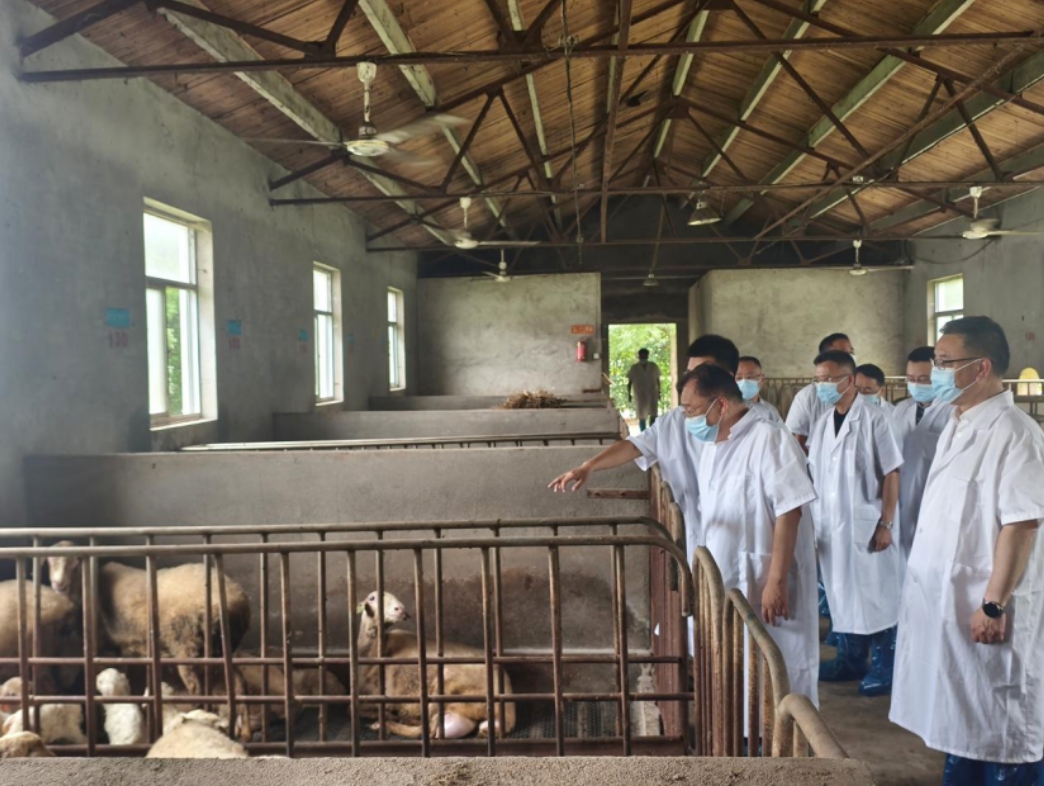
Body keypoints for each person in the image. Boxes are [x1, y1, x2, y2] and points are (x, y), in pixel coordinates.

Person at [890, 317, 1044, 785]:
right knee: (960, 721)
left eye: (944, 363)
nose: (935, 373)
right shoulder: (958, 422)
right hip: (949, 602)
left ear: (981, 367)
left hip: (987, 606)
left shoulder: (1016, 434)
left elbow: (1022, 524)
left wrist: (994, 604)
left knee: (1001, 729)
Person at [681, 364, 819, 703]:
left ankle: (778, 735)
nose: (688, 419)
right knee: (738, 677)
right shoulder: (715, 444)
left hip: (765, 582)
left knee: (775, 673)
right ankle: (744, 733)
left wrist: (776, 580)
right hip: (731, 577)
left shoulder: (770, 439)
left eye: (692, 410)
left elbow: (790, 510)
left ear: (721, 404)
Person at [549, 335, 740, 555]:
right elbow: (634, 446)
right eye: (689, 373)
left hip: (742, 541)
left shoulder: (758, 428)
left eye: (701, 373)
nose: (692, 382)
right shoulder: (675, 421)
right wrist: (588, 466)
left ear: (726, 377)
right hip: (696, 535)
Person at [807, 350, 902, 697]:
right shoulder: (822, 423)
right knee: (840, 594)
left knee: (876, 597)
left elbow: (892, 472)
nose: (821, 385)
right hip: (831, 528)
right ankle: (850, 660)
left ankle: (885, 667)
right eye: (818, 379)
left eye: (828, 379)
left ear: (848, 380)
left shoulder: (876, 419)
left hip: (866, 526)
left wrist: (886, 524)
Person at [892, 346, 951, 561]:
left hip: (935, 502)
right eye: (911, 379)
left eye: (924, 379)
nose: (916, 384)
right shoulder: (900, 410)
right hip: (899, 499)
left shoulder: (952, 412)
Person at [786, 333, 856, 452]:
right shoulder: (808, 397)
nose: (849, 356)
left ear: (850, 379)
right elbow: (798, 439)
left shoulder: (871, 410)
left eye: (851, 352)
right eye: (843, 352)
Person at [735, 356, 783, 424]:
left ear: (762, 379)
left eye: (750, 377)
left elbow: (781, 430)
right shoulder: (725, 411)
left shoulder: (770, 411)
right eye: (738, 378)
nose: (744, 382)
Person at [627, 348, 661, 432]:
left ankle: (652, 432)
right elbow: (630, 382)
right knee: (641, 414)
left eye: (645, 355)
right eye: (641, 355)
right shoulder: (634, 368)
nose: (643, 357)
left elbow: (658, 380)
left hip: (653, 393)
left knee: (653, 413)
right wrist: (629, 394)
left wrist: (659, 392)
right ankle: (643, 432)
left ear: (647, 356)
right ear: (639, 356)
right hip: (640, 394)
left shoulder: (653, 366)